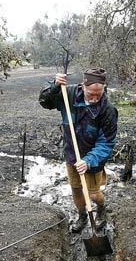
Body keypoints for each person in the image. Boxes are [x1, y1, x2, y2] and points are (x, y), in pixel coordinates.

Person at [39, 68, 118, 233]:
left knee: (94, 194)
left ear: (104, 88)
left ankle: (101, 209)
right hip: (72, 154)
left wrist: (89, 161)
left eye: (99, 93)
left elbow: (106, 142)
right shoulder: (68, 94)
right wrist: (54, 86)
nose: (95, 98)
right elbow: (45, 102)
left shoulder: (107, 110)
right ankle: (82, 215)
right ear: (83, 86)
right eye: (91, 94)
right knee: (75, 188)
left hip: (93, 160)